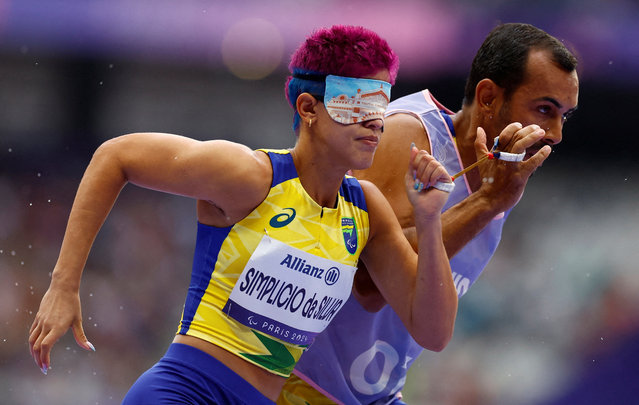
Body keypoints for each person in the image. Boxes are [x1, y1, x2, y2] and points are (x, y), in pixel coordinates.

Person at [28, 25, 459, 404]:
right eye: (358, 103)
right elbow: (115, 156)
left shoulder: (366, 210)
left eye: (381, 104)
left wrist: (429, 218)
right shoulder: (250, 177)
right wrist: (63, 286)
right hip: (185, 392)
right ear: (308, 108)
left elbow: (433, 333)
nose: (375, 121)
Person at [278, 22, 579, 404]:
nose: (555, 133)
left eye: (564, 116)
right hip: (297, 382)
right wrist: (485, 203)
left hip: (371, 395)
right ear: (487, 97)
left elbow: (428, 328)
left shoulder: (500, 177)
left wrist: (489, 199)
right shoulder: (407, 134)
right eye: (544, 109)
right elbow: (367, 284)